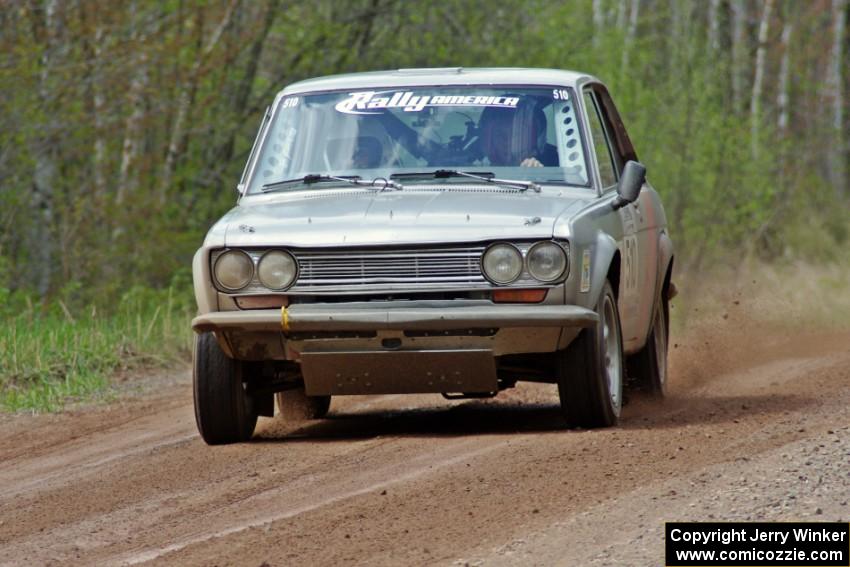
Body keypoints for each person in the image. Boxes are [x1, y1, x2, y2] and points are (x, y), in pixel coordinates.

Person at [477, 103, 559, 167]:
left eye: (515, 134)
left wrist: (537, 175)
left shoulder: (558, 163)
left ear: (535, 140)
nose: (507, 141)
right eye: (499, 134)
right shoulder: (473, 167)